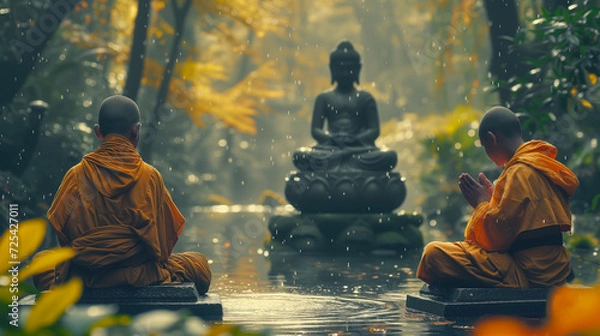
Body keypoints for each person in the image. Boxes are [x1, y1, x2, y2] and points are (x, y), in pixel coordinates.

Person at [33, 95, 211, 294]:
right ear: (136, 131)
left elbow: (64, 238)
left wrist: (95, 255)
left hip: (87, 276)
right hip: (140, 275)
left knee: (42, 263)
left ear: (98, 132)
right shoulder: (150, 176)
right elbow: (162, 250)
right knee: (198, 264)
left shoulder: (75, 176)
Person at [417, 106, 579, 288]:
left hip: (528, 274)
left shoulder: (518, 172)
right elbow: (523, 220)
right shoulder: (544, 166)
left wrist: (481, 203)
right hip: (554, 271)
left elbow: (496, 240)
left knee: (433, 254)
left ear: (492, 139)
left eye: (485, 145)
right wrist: (495, 200)